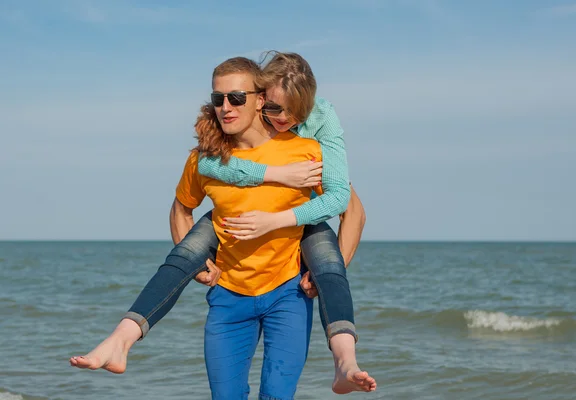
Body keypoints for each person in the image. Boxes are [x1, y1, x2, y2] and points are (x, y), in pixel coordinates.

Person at [70, 53, 376, 394]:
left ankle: (345, 359)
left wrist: (319, 277)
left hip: (287, 293)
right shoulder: (207, 156)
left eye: (236, 98)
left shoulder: (307, 151)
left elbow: (351, 210)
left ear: (259, 99)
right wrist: (201, 267)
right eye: (219, 99)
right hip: (229, 298)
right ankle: (121, 339)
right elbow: (181, 208)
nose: (226, 106)